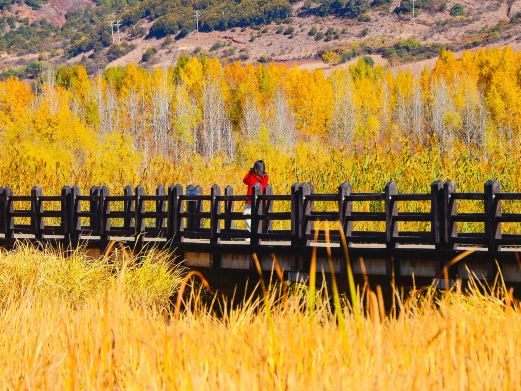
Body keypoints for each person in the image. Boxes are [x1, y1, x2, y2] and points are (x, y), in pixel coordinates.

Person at [243, 160, 269, 232]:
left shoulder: (264, 177)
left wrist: (251, 173)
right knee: (247, 215)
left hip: (256, 201)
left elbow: (246, 181)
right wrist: (250, 173)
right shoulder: (254, 175)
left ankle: (253, 233)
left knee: (252, 216)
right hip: (252, 201)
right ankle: (251, 233)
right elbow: (245, 180)